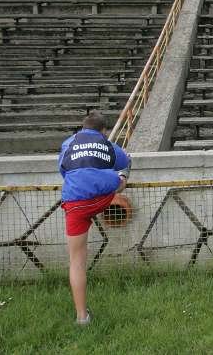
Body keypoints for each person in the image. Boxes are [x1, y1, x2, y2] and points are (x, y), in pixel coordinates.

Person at [58, 110, 131, 325]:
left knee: (77, 261)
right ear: (104, 130)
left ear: (82, 127)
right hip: (102, 198)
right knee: (121, 173)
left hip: (74, 203)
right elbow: (124, 160)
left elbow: (63, 169)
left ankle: (82, 317)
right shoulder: (106, 143)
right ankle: (121, 186)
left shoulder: (68, 143)